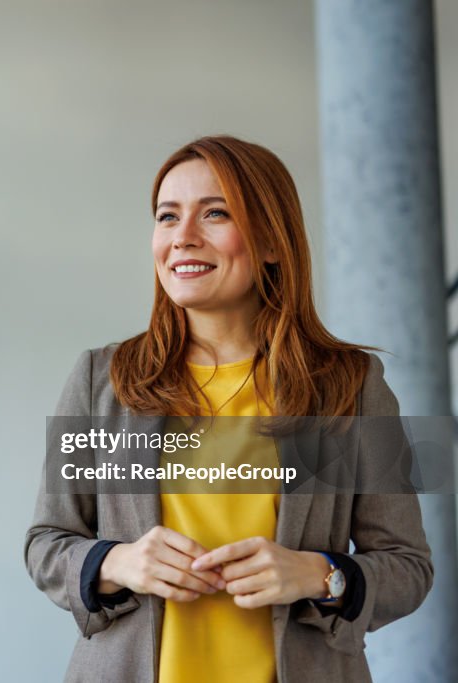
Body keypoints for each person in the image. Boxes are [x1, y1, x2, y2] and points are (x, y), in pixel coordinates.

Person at [24, 136, 432, 683]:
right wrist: (117, 562)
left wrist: (319, 573)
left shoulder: (350, 385)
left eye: (215, 213)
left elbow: (409, 565)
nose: (183, 238)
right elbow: (45, 543)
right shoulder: (102, 378)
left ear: (270, 240)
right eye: (167, 217)